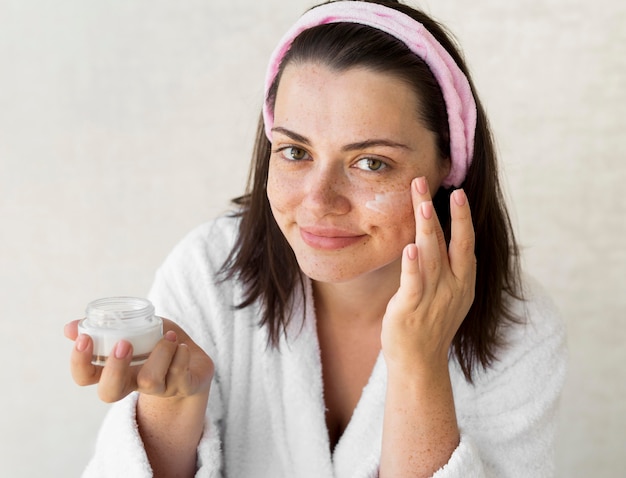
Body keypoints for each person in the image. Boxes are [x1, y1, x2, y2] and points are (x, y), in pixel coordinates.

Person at [65, 1, 567, 477]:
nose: (319, 201)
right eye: (295, 152)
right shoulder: (207, 272)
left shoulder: (517, 329)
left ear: (448, 167)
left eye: (371, 162)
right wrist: (173, 406)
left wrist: (421, 367)